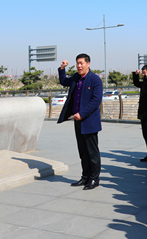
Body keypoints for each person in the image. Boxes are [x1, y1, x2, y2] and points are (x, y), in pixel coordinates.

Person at [57, 54, 103, 190]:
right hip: (77, 121)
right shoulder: (76, 78)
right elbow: (63, 81)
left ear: (88, 64)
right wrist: (62, 68)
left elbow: (96, 100)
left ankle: (94, 179)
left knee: (92, 153)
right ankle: (85, 177)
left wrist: (82, 114)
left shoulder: (95, 79)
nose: (79, 66)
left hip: (89, 121)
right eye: (77, 63)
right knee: (83, 152)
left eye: (81, 63)